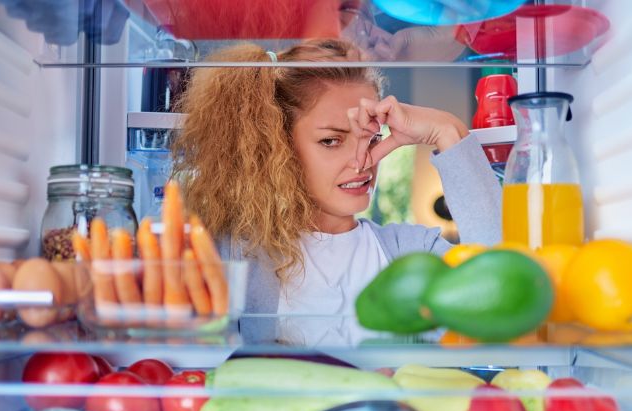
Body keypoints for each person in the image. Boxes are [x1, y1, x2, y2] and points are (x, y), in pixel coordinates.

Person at [171, 39, 500, 344]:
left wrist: (445, 129)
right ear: (278, 146)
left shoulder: (411, 251)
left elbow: (504, 285)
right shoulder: (232, 253)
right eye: (331, 141)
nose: (361, 162)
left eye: (371, 139)